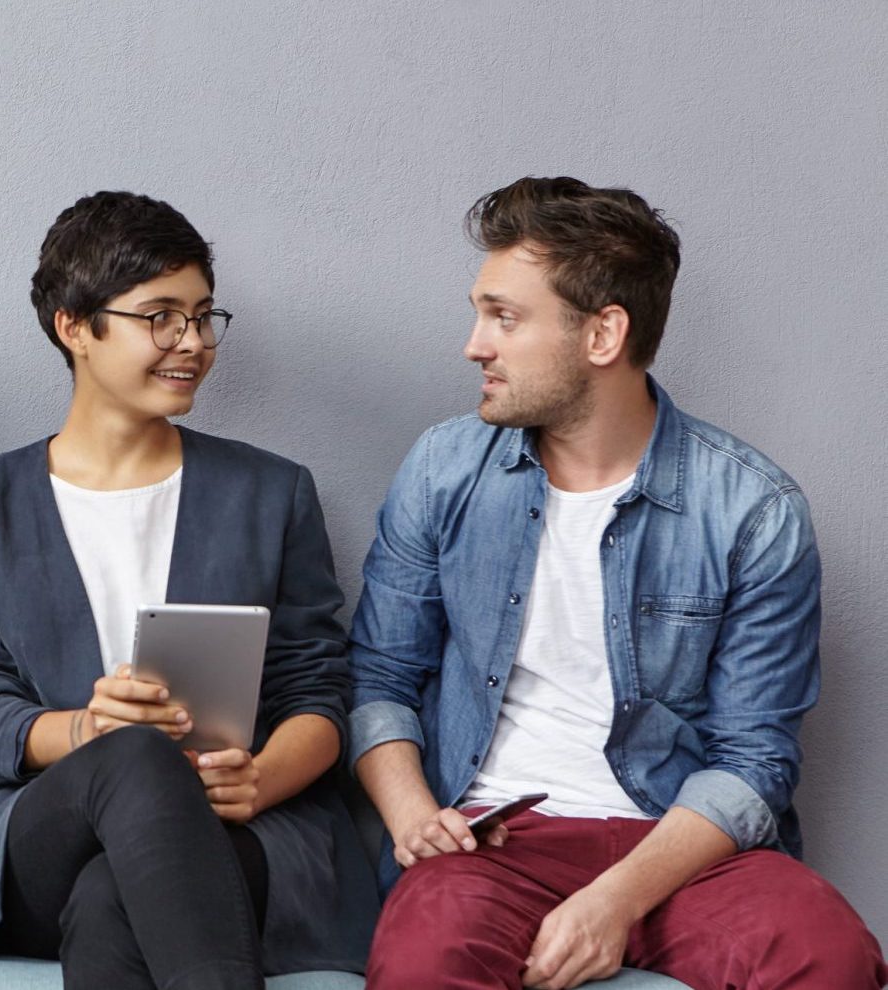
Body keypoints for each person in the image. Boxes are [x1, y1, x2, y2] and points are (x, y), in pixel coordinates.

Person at [350, 176, 887, 989]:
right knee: (424, 959)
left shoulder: (751, 508)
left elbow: (754, 759)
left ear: (603, 334)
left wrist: (613, 901)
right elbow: (381, 675)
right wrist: (412, 816)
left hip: (682, 846)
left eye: (505, 317)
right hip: (492, 842)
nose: (474, 345)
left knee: (831, 955)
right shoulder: (443, 468)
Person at [0, 191, 378, 989]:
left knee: (110, 904)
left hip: (242, 829)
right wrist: (90, 730)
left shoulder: (271, 493)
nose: (192, 342)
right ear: (74, 326)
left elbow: (319, 690)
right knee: (132, 756)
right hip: (45, 838)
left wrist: (262, 778)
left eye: (203, 317)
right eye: (160, 316)